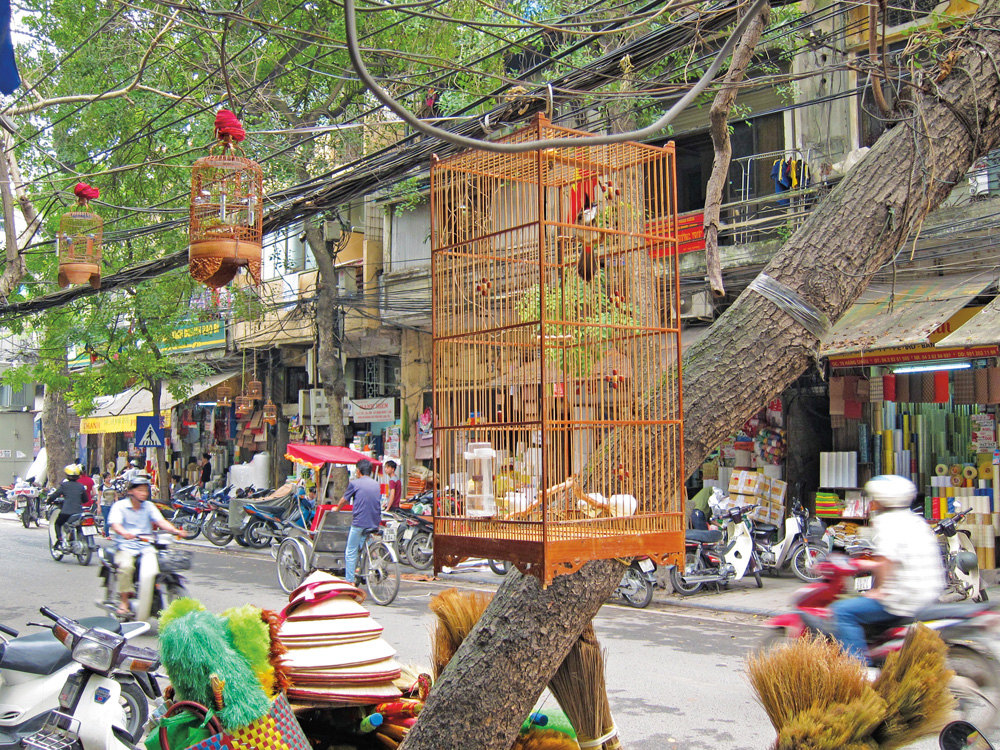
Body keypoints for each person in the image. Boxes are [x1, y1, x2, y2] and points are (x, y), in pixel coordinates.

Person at [830, 475, 946, 670]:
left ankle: (860, 670)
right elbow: (898, 560)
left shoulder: (888, 523)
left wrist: (878, 590)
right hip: (927, 594)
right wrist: (868, 566)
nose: (873, 503)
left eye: (875, 498)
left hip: (902, 599)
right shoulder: (916, 521)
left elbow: (886, 562)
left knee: (843, 611)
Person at [107, 474, 186, 615]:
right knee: (126, 567)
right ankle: (124, 601)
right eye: (140, 490)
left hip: (146, 548)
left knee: (161, 567)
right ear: (131, 491)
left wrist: (175, 530)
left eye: (145, 490)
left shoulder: (149, 506)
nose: (144, 493)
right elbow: (115, 524)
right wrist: (124, 533)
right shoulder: (120, 506)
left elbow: (160, 521)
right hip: (125, 548)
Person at [333, 459, 382, 584]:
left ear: (358, 471)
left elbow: (344, 500)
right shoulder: (376, 484)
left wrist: (337, 508)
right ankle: (364, 567)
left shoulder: (355, 484)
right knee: (363, 542)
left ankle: (350, 581)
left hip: (359, 523)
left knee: (351, 551)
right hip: (374, 522)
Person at [48, 464, 91, 547]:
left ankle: (59, 540)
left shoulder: (64, 485)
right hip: (78, 512)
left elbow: (55, 495)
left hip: (66, 512)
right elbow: (85, 499)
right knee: (78, 525)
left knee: (57, 523)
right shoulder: (80, 486)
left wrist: (48, 500)